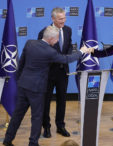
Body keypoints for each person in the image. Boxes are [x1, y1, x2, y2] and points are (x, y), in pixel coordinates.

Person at [3, 26, 89, 146]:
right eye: (57, 38)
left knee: (17, 114)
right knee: (37, 117)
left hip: (23, 84)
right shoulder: (50, 52)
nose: (57, 41)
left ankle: (7, 139)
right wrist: (81, 51)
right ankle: (33, 145)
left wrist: (19, 81)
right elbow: (66, 59)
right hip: (37, 88)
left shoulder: (29, 43)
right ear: (52, 39)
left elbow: (21, 63)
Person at [38, 7, 73, 138]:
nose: (63, 21)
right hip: (48, 73)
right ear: (53, 18)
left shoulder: (68, 30)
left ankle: (60, 126)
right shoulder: (44, 32)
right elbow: (41, 52)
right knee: (46, 101)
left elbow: (69, 45)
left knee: (62, 100)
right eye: (60, 19)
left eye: (64, 18)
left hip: (63, 71)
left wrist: (66, 58)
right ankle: (46, 127)